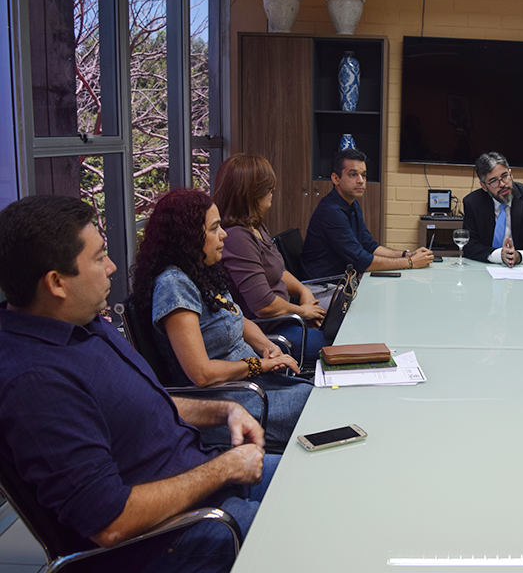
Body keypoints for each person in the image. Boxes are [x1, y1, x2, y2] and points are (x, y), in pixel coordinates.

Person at [0, 195, 275, 573]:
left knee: (320, 480)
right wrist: (225, 468)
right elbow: (111, 523)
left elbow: (149, 403)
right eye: (98, 258)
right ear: (57, 283)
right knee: (318, 530)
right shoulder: (35, 381)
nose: (112, 267)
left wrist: (224, 409)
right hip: (174, 538)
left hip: (205, 484)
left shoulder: (83, 323)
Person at [131, 188, 312, 447]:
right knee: (314, 406)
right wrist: (258, 365)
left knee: (314, 396)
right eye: (215, 228)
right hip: (224, 402)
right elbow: (202, 374)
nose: (224, 234)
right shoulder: (174, 285)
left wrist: (267, 347)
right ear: (189, 237)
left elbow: (238, 318)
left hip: (249, 385)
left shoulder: (201, 271)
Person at [212, 153, 327, 364]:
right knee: (332, 343)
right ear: (249, 193)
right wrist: (302, 311)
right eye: (267, 187)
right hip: (271, 332)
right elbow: (263, 305)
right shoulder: (237, 237)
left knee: (337, 325)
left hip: (284, 320)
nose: (273, 191)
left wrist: (303, 291)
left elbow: (279, 271)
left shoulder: (255, 226)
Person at [302, 148, 434, 278]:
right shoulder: (331, 212)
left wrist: (406, 255)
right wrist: (410, 263)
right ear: (336, 178)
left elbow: (369, 246)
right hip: (322, 288)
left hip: (342, 283)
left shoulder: (352, 204)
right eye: (353, 174)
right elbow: (361, 261)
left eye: (363, 175)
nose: (360, 180)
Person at [462, 151, 523, 267]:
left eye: (505, 176)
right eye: (493, 181)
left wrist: (518, 256)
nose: (503, 184)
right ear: (484, 186)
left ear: (511, 174)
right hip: (484, 266)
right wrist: (500, 255)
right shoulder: (473, 203)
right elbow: (470, 246)